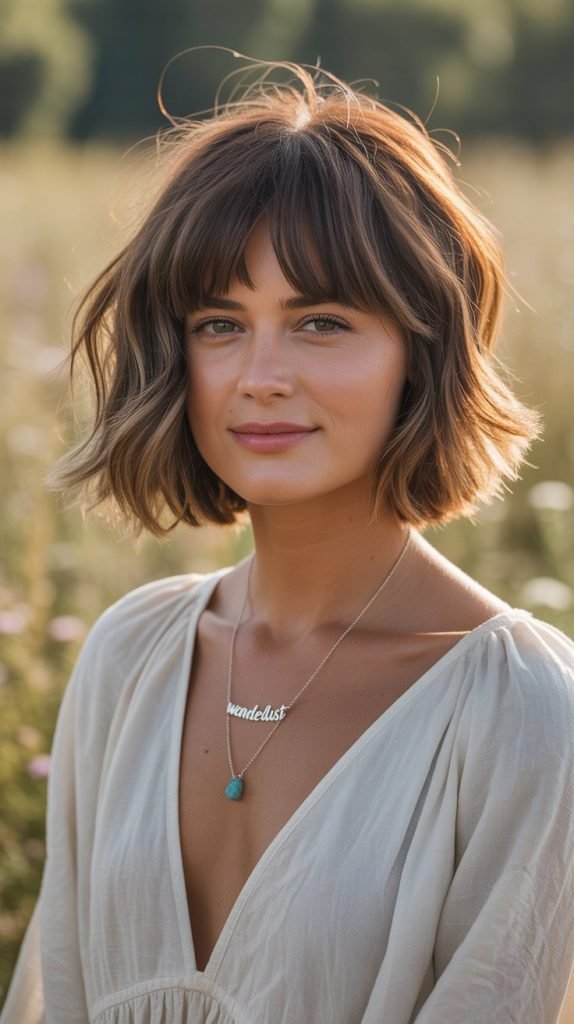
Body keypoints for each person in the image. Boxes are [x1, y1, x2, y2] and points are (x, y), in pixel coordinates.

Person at [2, 56, 574, 1024]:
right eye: (220, 322)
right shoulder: (130, 655)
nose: (259, 375)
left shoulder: (522, 710)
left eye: (320, 321)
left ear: (420, 351)